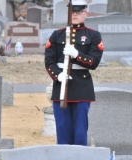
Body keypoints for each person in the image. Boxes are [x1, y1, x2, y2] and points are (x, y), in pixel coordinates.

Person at [44, 0, 104, 146]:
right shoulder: (57, 35)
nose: (75, 14)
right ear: (68, 13)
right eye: (72, 11)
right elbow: (49, 61)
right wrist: (58, 75)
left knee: (80, 132)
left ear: (86, 13)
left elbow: (94, 62)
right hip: (61, 86)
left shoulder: (93, 35)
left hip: (82, 88)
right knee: (63, 130)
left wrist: (77, 54)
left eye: (78, 11)